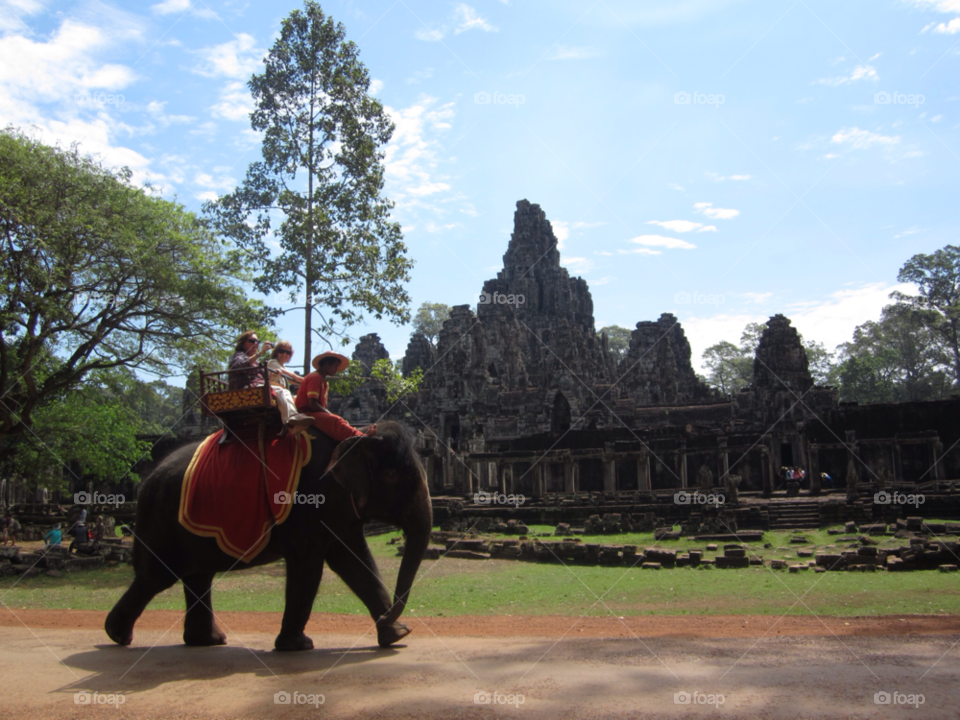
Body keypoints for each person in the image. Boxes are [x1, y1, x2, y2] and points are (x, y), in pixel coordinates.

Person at [296, 352, 376, 442]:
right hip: (306, 414)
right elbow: (312, 403)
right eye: (335, 366)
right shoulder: (315, 377)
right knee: (336, 421)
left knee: (342, 421)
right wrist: (329, 414)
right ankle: (361, 438)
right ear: (327, 364)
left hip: (314, 413)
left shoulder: (324, 382)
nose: (336, 369)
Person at [267, 341, 314, 435]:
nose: (285, 354)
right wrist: (308, 381)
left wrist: (306, 385)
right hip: (272, 392)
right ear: (276, 352)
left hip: (279, 392)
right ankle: (290, 420)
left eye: (287, 352)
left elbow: (292, 380)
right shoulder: (272, 363)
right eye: (282, 351)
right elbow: (291, 376)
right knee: (284, 392)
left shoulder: (282, 366)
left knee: (298, 398)